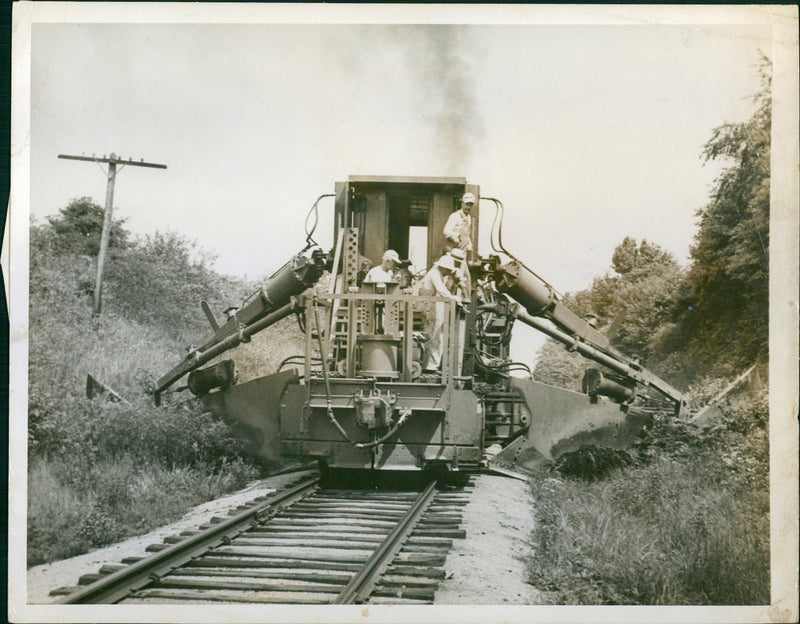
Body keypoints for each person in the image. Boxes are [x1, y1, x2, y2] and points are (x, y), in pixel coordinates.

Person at [416, 254, 461, 372]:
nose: (449, 272)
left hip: (432, 305)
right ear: (443, 268)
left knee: (436, 336)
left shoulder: (438, 274)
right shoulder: (435, 274)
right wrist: (452, 297)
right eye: (448, 270)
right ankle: (430, 366)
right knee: (434, 336)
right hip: (430, 306)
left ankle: (431, 365)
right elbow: (440, 289)